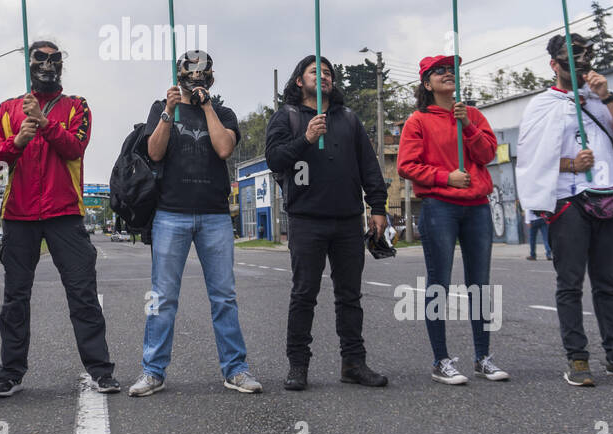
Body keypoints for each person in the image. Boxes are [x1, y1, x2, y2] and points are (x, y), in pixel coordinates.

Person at [515, 33, 613, 386]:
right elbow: (532, 161)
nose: (581, 65)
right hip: (568, 202)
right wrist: (569, 164)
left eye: (586, 57)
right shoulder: (541, 106)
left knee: (607, 283)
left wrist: (607, 97)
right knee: (570, 284)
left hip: (609, 196)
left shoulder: (604, 99)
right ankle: (578, 359)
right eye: (571, 59)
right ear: (554, 65)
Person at [128, 51, 262, 397]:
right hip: (170, 213)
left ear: (212, 79)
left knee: (223, 297)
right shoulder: (162, 108)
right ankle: (153, 371)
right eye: (191, 74)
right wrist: (168, 111)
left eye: (203, 74)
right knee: (163, 297)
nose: (197, 79)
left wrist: (206, 107)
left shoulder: (225, 113)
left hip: (215, 215)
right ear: (180, 76)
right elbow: (154, 152)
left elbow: (223, 149)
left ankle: (235, 369)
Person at [0, 41, 118, 397]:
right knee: (15, 298)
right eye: (40, 58)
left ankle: (100, 370)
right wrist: (15, 143)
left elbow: (75, 147)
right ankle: (10, 373)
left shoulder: (78, 106)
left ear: (62, 64)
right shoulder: (6, 109)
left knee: (82, 293)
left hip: (65, 214)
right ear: (29, 64)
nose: (48, 64)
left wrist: (45, 124)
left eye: (55, 59)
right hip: (18, 214)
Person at [265, 54, 390, 391]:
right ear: (298, 81)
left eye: (328, 73)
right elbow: (274, 158)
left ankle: (353, 363)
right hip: (306, 219)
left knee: (349, 296)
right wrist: (305, 138)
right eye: (314, 72)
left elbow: (369, 166)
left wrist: (377, 206)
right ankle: (298, 365)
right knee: (304, 293)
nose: (323, 76)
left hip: (348, 219)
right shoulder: (287, 117)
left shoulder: (348, 119)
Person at [397, 54, 508, 385]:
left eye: (452, 71)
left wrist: (468, 126)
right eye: (440, 71)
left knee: (480, 283)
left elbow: (488, 154)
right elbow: (407, 165)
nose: (448, 74)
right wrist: (446, 177)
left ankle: (482, 357)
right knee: (439, 283)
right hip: (439, 207)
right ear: (427, 83)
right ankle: (440, 360)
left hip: (477, 207)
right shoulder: (417, 121)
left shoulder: (471, 115)